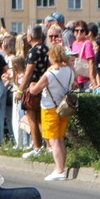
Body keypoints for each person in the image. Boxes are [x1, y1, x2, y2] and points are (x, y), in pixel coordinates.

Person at [29, 44, 74, 182]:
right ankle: (60, 167)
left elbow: (34, 90)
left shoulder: (50, 73)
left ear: (53, 56)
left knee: (53, 140)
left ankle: (59, 170)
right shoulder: (70, 70)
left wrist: (31, 85)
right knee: (60, 138)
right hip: (64, 106)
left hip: (50, 108)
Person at [19, 24, 49, 158]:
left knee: (32, 118)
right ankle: (48, 146)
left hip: (33, 87)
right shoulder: (47, 49)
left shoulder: (33, 51)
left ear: (30, 37)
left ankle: (37, 147)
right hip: (45, 86)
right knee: (42, 119)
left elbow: (29, 71)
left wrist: (20, 90)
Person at [70, 20, 96, 92]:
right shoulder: (74, 43)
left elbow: (91, 62)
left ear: (85, 32)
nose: (79, 32)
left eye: (82, 30)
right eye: (76, 30)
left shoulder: (87, 43)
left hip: (85, 80)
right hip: (76, 79)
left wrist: (92, 78)